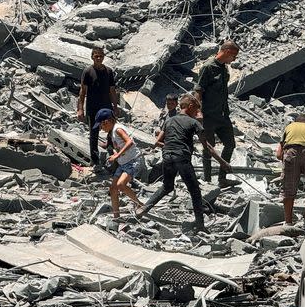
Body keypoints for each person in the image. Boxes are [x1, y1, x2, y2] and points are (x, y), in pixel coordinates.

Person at [136, 94, 232, 232]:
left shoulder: (169, 121)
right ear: (190, 106)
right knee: (195, 192)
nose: (197, 114)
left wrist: (172, 147)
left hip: (167, 156)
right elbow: (208, 147)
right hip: (182, 158)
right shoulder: (194, 123)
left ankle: (145, 207)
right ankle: (200, 225)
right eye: (196, 110)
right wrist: (224, 163)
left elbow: (157, 141)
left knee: (167, 186)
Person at [194, 40, 240, 187]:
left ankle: (222, 178)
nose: (234, 60)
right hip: (208, 115)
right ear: (227, 52)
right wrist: (199, 112)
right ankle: (207, 179)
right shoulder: (208, 67)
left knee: (230, 144)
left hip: (222, 114)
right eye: (234, 56)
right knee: (209, 147)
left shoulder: (224, 69)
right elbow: (198, 90)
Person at [94, 108, 144, 219]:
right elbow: (120, 146)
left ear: (106, 122)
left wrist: (117, 155)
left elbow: (130, 142)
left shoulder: (118, 129)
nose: (101, 129)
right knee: (113, 189)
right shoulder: (112, 132)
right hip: (124, 163)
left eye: (101, 126)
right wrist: (116, 154)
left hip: (133, 160)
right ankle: (116, 216)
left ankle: (139, 204)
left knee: (121, 185)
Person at [76, 46, 118, 166]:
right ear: (92, 57)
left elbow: (112, 91)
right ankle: (95, 161)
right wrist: (80, 109)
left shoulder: (109, 71)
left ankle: (111, 153)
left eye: (101, 56)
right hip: (93, 107)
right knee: (94, 134)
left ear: (104, 57)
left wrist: (115, 106)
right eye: (96, 56)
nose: (99, 58)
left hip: (106, 107)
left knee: (111, 131)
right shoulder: (88, 72)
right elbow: (82, 92)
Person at [276, 114, 305, 224]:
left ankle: (288, 223)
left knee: (288, 190)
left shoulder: (289, 127)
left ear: (296, 121)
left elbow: (278, 154)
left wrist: (287, 165)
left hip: (291, 152)